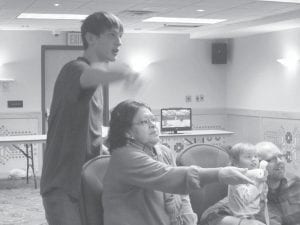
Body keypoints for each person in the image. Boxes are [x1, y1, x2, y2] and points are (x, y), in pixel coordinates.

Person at [40, 12, 139, 225]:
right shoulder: (75, 69)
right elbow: (90, 76)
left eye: (121, 36)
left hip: (86, 180)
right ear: (91, 38)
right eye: (112, 35)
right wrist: (125, 73)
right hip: (63, 183)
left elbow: (88, 129)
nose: (119, 42)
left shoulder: (97, 84)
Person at [102, 100, 255, 225]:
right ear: (127, 132)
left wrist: (189, 219)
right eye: (144, 122)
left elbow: (181, 194)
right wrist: (220, 174)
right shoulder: (124, 157)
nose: (152, 125)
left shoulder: (163, 151)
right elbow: (169, 176)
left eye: (153, 120)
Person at [200, 141, 300, 225]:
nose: (280, 161)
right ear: (257, 165)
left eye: (281, 156)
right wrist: (244, 222)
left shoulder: (295, 184)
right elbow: (208, 217)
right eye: (271, 159)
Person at [226, 143, 268, 222]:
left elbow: (262, 195)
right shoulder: (236, 178)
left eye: (255, 156)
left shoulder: (254, 174)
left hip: (256, 213)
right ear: (236, 163)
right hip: (241, 217)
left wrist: (263, 184)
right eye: (248, 157)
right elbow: (246, 198)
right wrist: (257, 182)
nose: (253, 159)